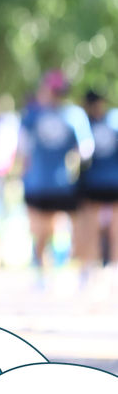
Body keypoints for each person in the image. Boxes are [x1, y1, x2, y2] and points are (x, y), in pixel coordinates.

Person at [18, 70, 94, 281]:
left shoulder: (72, 115)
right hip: (40, 183)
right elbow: (22, 149)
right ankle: (43, 273)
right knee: (42, 230)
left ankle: (80, 270)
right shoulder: (33, 115)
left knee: (70, 228)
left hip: (62, 183)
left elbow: (85, 149)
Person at [76, 89, 118, 277]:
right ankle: (89, 267)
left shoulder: (112, 121)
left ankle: (112, 268)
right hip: (93, 184)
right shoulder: (86, 124)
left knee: (114, 229)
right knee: (91, 228)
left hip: (111, 183)